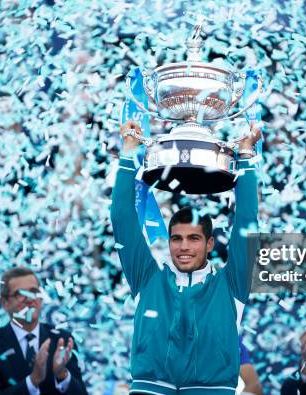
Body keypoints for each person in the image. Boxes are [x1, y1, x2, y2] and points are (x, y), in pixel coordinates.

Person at [111, 120, 260, 394]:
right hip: (149, 388)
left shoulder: (231, 285)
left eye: (193, 239)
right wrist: (129, 151)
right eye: (177, 239)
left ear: (209, 243)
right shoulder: (148, 279)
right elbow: (122, 218)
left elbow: (248, 222)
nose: (183, 247)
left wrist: (247, 157)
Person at [0, 267, 86, 395]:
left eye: (34, 292)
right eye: (20, 294)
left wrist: (62, 375)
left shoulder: (63, 340)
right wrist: (33, 381)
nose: (29, 299)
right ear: (4, 302)